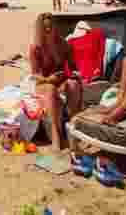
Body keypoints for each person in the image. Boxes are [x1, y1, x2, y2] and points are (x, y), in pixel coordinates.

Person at [28, 13, 84, 151]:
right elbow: (35, 75)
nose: (49, 30)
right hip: (43, 82)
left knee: (73, 84)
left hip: (60, 80)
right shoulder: (36, 48)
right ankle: (56, 133)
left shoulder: (63, 44)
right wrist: (48, 79)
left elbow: (72, 67)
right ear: (40, 29)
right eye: (45, 28)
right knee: (51, 89)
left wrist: (75, 75)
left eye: (51, 27)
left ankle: (74, 125)